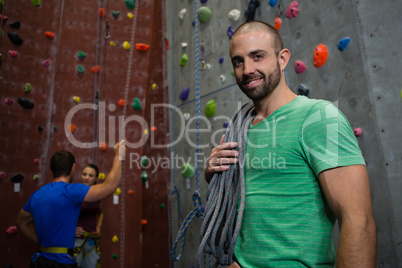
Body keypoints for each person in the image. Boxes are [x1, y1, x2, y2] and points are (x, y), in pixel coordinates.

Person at [204, 21, 376, 267]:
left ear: (282, 59)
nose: (247, 69)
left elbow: (359, 221)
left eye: (258, 56)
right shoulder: (239, 129)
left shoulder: (318, 117)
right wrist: (214, 175)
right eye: (238, 61)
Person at [16, 140, 126, 267]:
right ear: (73, 168)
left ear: (52, 169)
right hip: (62, 263)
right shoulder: (71, 191)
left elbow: (21, 222)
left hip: (40, 260)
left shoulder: (37, 195)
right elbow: (110, 187)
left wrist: (42, 242)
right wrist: (119, 156)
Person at [74, 164, 103, 268]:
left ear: (96, 178)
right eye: (84, 174)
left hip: (91, 239)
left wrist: (98, 227)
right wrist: (71, 229)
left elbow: (100, 212)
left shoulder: (98, 194)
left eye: (90, 175)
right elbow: (63, 214)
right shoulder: (75, 192)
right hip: (76, 239)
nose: (86, 177)